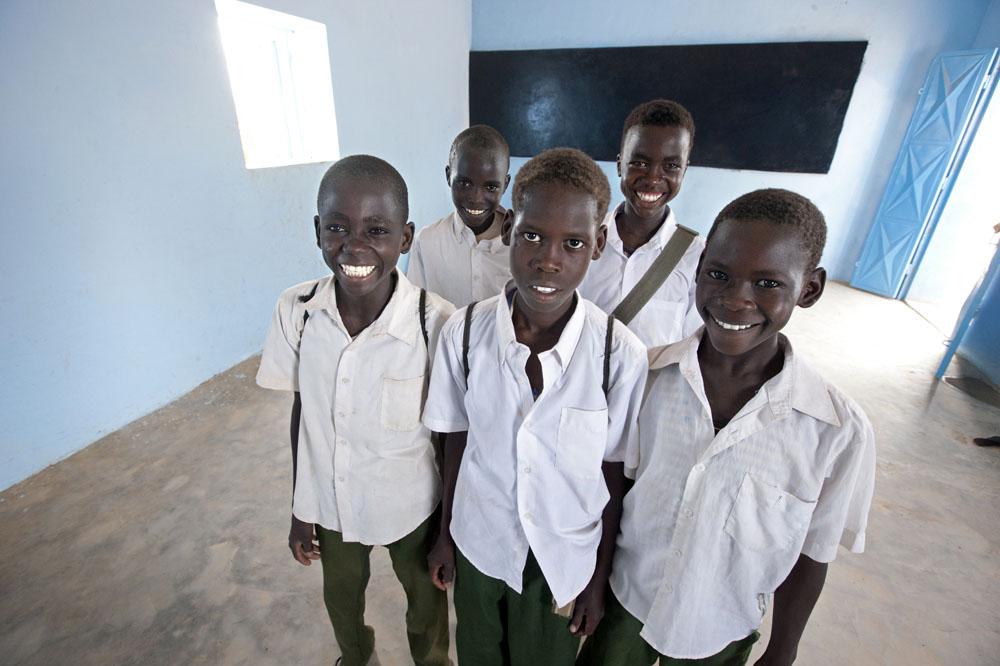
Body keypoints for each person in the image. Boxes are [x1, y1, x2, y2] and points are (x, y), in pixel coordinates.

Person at [578, 188, 876, 665]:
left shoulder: (836, 431)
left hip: (722, 624)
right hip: (627, 601)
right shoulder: (646, 378)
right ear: (698, 270)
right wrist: (595, 583)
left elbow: (812, 552)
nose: (736, 300)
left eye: (768, 283)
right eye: (719, 275)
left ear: (809, 289)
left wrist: (783, 649)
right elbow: (616, 490)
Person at [422, 148, 648, 665]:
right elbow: (453, 440)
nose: (549, 259)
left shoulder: (618, 356)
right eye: (532, 236)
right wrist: (445, 533)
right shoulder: (463, 334)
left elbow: (614, 473)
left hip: (562, 561)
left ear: (598, 244)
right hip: (479, 543)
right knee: (478, 653)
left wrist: (598, 577)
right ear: (508, 230)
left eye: (573, 243)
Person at [255, 155, 453, 666]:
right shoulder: (297, 311)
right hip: (332, 503)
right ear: (317, 230)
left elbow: (449, 436)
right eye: (337, 228)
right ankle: (356, 657)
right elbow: (303, 416)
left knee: (425, 605)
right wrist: (301, 507)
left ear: (405, 238)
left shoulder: (435, 323)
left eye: (377, 230)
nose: (355, 246)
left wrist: (447, 529)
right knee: (341, 600)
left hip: (412, 506)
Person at [579, 99, 703, 347]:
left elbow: (691, 346)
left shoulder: (697, 257)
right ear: (619, 165)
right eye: (640, 163)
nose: (653, 178)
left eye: (671, 166)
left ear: (683, 171)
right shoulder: (580, 238)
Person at [408, 124, 512, 307]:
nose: (476, 198)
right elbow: (414, 311)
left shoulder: (523, 245)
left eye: (490, 187)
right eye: (464, 183)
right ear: (449, 176)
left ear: (505, 184)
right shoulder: (426, 242)